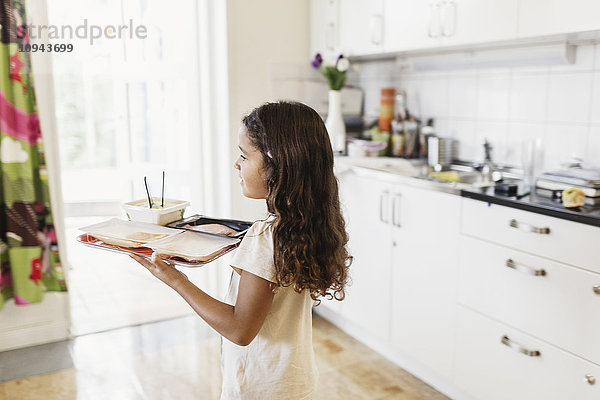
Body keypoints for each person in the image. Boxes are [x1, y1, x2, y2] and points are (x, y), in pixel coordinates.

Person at [130, 101, 351, 399]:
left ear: (278, 166)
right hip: (293, 383)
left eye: (244, 156)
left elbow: (239, 330)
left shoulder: (267, 237)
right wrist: (238, 234)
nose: (237, 163)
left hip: (258, 391)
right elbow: (272, 254)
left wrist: (175, 280)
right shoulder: (305, 226)